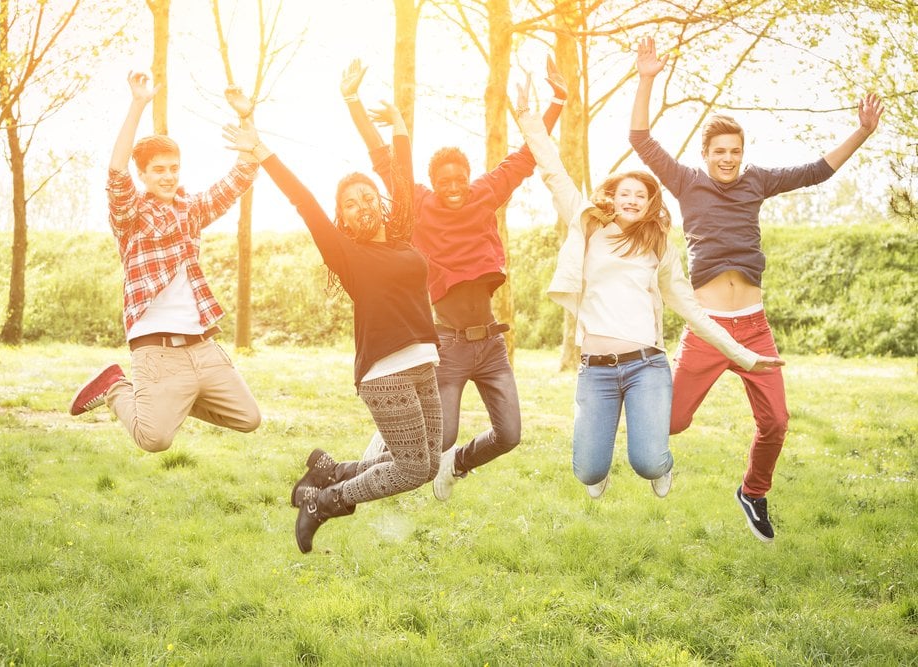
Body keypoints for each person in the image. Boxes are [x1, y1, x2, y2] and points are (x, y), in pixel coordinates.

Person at [630, 37, 883, 541]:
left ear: (744, 155)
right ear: (704, 155)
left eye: (735, 153)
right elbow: (640, 138)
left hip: (753, 327)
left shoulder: (757, 182)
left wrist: (861, 132)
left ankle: (753, 491)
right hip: (706, 328)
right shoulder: (684, 181)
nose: (728, 159)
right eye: (719, 152)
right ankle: (632, 393)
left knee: (777, 422)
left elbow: (816, 172)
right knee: (671, 424)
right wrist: (646, 78)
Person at [513, 74, 784, 502]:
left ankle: (661, 468)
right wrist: (528, 116)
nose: (634, 200)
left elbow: (696, 313)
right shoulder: (585, 223)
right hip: (596, 368)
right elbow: (552, 170)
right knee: (587, 470)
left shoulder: (658, 248)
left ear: (650, 203)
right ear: (613, 196)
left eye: (642, 195)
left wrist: (744, 355)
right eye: (627, 192)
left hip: (646, 367)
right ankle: (596, 465)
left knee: (649, 462)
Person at [223, 91, 443, 554]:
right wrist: (262, 150)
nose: (362, 204)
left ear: (379, 204)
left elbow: (401, 180)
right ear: (341, 218)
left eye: (368, 196)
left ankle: (329, 471)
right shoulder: (348, 255)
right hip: (385, 374)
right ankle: (323, 501)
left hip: (424, 360)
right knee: (410, 470)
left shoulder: (400, 238)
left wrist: (400, 125)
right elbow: (303, 201)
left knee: (427, 461)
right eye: (350, 203)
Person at [342, 58, 566, 501]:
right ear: (431, 182)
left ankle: (457, 465)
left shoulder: (486, 193)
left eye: (459, 176)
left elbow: (526, 155)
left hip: (492, 345)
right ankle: (376, 456)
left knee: (509, 435)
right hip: (448, 344)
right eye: (443, 179)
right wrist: (354, 102)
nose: (453, 184)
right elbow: (384, 160)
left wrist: (557, 101)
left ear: (468, 176)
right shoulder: (419, 204)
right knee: (437, 438)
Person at [68, 72, 262, 453]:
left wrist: (246, 117)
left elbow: (240, 176)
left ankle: (171, 402)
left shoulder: (192, 210)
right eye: (159, 169)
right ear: (144, 175)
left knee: (248, 418)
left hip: (202, 346)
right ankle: (115, 387)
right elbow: (116, 172)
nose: (168, 176)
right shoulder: (131, 216)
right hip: (155, 349)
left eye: (173, 168)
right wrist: (138, 103)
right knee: (154, 439)